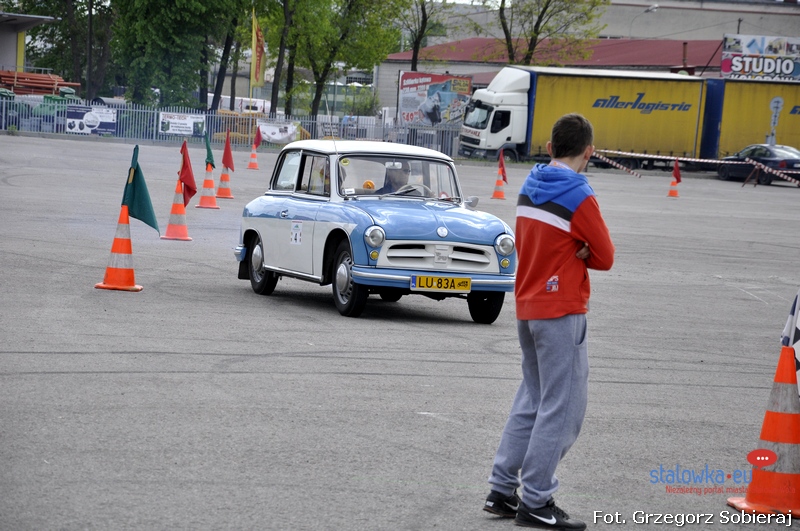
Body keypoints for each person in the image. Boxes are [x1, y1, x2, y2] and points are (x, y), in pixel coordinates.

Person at [483, 113, 615, 530]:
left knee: (532, 399)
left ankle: (502, 488)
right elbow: (606, 256)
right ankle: (537, 499)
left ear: (550, 147)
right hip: (561, 310)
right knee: (563, 407)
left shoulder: (530, 183)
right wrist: (582, 250)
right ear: (588, 152)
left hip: (528, 306)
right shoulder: (579, 193)